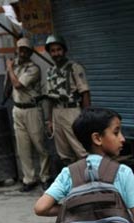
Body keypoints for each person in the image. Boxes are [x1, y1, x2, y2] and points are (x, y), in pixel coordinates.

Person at [6, 38, 51, 192]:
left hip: (32, 109)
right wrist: (11, 69)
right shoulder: (16, 66)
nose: (23, 52)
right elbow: (8, 86)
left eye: (26, 50)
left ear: (31, 52)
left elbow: (17, 84)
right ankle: (29, 179)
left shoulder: (33, 68)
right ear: (17, 50)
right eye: (20, 49)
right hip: (18, 109)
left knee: (39, 144)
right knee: (23, 147)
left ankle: (45, 176)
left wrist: (9, 69)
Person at [43, 34, 90, 165]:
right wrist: (49, 120)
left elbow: (85, 92)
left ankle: (89, 180)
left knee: (80, 148)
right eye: (52, 51)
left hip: (72, 111)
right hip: (57, 112)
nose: (56, 53)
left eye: (59, 50)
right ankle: (73, 180)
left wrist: (86, 116)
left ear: (64, 50)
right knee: (63, 151)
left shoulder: (74, 67)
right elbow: (50, 98)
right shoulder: (50, 71)